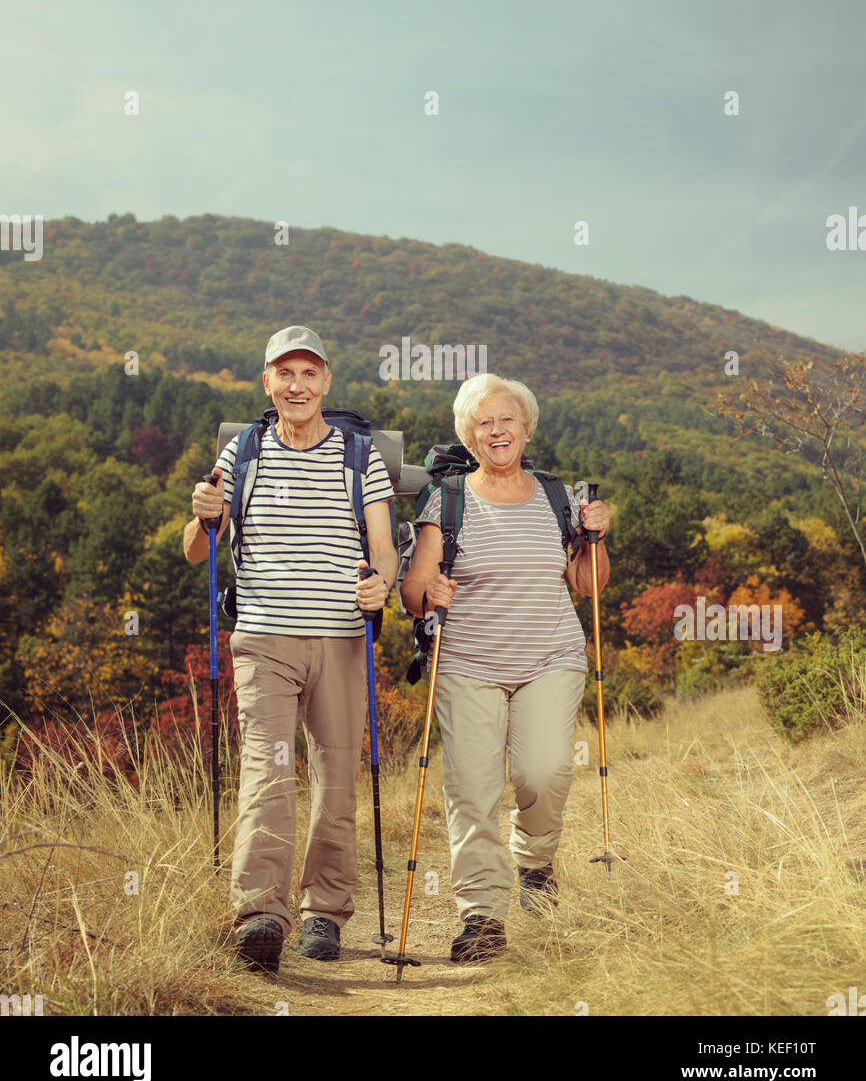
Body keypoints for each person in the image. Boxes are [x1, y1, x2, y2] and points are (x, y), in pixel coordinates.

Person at [183, 325, 397, 971]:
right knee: (267, 774)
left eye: (310, 374)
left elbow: (384, 547)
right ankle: (259, 916)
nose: (298, 385)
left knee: (336, 776)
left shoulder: (361, 456)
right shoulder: (239, 453)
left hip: (340, 637)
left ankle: (324, 913)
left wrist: (382, 584)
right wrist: (201, 514)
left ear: (326, 382)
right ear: (267, 381)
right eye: (286, 373)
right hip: (264, 639)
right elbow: (197, 551)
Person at [401, 372, 610, 962]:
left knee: (543, 773)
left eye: (506, 420)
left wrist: (595, 538)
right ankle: (482, 916)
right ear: (469, 435)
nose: (497, 431)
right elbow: (414, 591)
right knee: (472, 789)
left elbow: (587, 584)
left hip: (550, 656)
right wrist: (429, 593)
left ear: (525, 427)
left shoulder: (556, 497)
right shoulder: (448, 500)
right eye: (484, 423)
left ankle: (536, 863)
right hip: (468, 662)